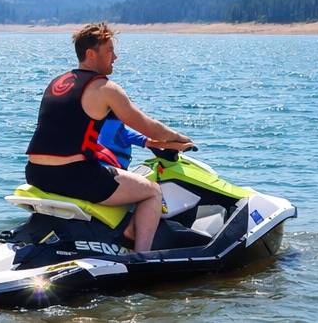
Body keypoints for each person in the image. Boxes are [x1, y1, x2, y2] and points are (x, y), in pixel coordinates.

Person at [24, 22, 194, 253]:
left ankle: (117, 232)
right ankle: (141, 257)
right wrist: (180, 138)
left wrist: (146, 142)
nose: (115, 57)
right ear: (91, 54)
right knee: (152, 191)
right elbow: (148, 126)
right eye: (110, 51)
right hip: (73, 175)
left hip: (36, 172)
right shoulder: (104, 88)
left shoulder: (57, 82)